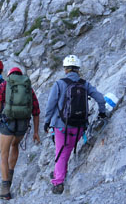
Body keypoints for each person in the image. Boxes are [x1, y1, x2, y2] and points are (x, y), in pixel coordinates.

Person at [44, 55, 106, 194]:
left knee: (61, 152)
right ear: (78, 69)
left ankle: (58, 182)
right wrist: (102, 113)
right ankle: (59, 173)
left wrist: (47, 121)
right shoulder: (84, 84)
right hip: (79, 125)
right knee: (66, 150)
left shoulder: (59, 84)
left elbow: (50, 106)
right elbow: (100, 98)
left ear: (65, 68)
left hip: (61, 125)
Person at [0, 67, 40, 200]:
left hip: (8, 122)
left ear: (9, 75)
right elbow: (36, 111)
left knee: (3, 155)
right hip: (23, 124)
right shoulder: (27, 87)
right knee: (15, 146)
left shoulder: (5, 84)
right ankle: (10, 174)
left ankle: (5, 189)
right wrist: (36, 132)